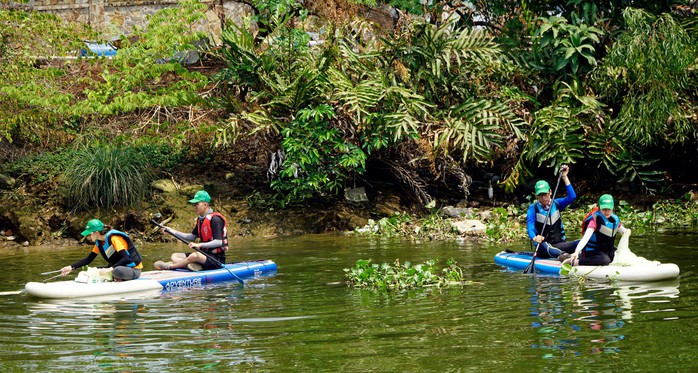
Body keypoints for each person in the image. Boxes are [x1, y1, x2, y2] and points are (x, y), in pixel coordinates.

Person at [154, 190, 228, 272]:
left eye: (197, 204)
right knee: (174, 256)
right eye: (194, 204)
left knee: (194, 256)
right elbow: (192, 237)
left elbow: (219, 242)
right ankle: (194, 265)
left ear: (205, 204)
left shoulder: (215, 219)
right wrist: (171, 231)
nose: (195, 207)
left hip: (216, 259)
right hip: (204, 255)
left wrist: (200, 245)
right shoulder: (201, 220)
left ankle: (170, 266)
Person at [60, 219, 143, 281]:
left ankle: (116, 278)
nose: (88, 237)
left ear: (96, 233)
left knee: (116, 271)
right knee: (95, 269)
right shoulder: (99, 243)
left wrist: (109, 269)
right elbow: (89, 259)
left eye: (89, 234)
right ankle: (112, 277)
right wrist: (71, 267)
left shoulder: (114, 238)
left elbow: (126, 258)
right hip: (119, 267)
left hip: (133, 269)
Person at [526, 164, 578, 260]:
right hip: (544, 247)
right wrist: (534, 237)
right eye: (541, 195)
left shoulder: (557, 204)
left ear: (550, 192)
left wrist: (564, 177)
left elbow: (572, 196)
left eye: (545, 194)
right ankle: (565, 256)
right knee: (545, 245)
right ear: (537, 196)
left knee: (580, 242)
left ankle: (574, 255)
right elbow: (530, 227)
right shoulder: (533, 209)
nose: (544, 197)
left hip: (560, 244)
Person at [565, 194, 630, 266]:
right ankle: (576, 262)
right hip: (592, 251)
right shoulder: (594, 220)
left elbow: (623, 231)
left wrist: (627, 232)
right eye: (604, 209)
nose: (606, 212)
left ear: (613, 208)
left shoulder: (615, 219)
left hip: (607, 251)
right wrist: (576, 252)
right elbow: (585, 238)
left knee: (619, 256)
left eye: (609, 209)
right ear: (599, 208)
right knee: (605, 260)